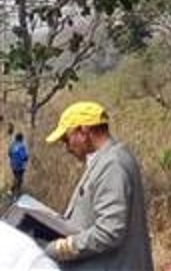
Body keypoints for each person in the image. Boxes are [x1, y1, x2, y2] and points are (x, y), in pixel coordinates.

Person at [44, 101, 153, 270]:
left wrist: (58, 248)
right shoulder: (106, 160)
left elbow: (109, 231)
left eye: (66, 139)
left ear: (83, 131)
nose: (67, 147)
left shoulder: (112, 164)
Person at [9, 131, 28, 196]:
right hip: (20, 165)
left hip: (13, 164)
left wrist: (13, 160)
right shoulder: (22, 146)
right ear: (21, 138)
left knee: (16, 177)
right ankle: (15, 191)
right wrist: (26, 158)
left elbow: (9, 153)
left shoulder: (12, 145)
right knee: (19, 178)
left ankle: (14, 191)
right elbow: (24, 157)